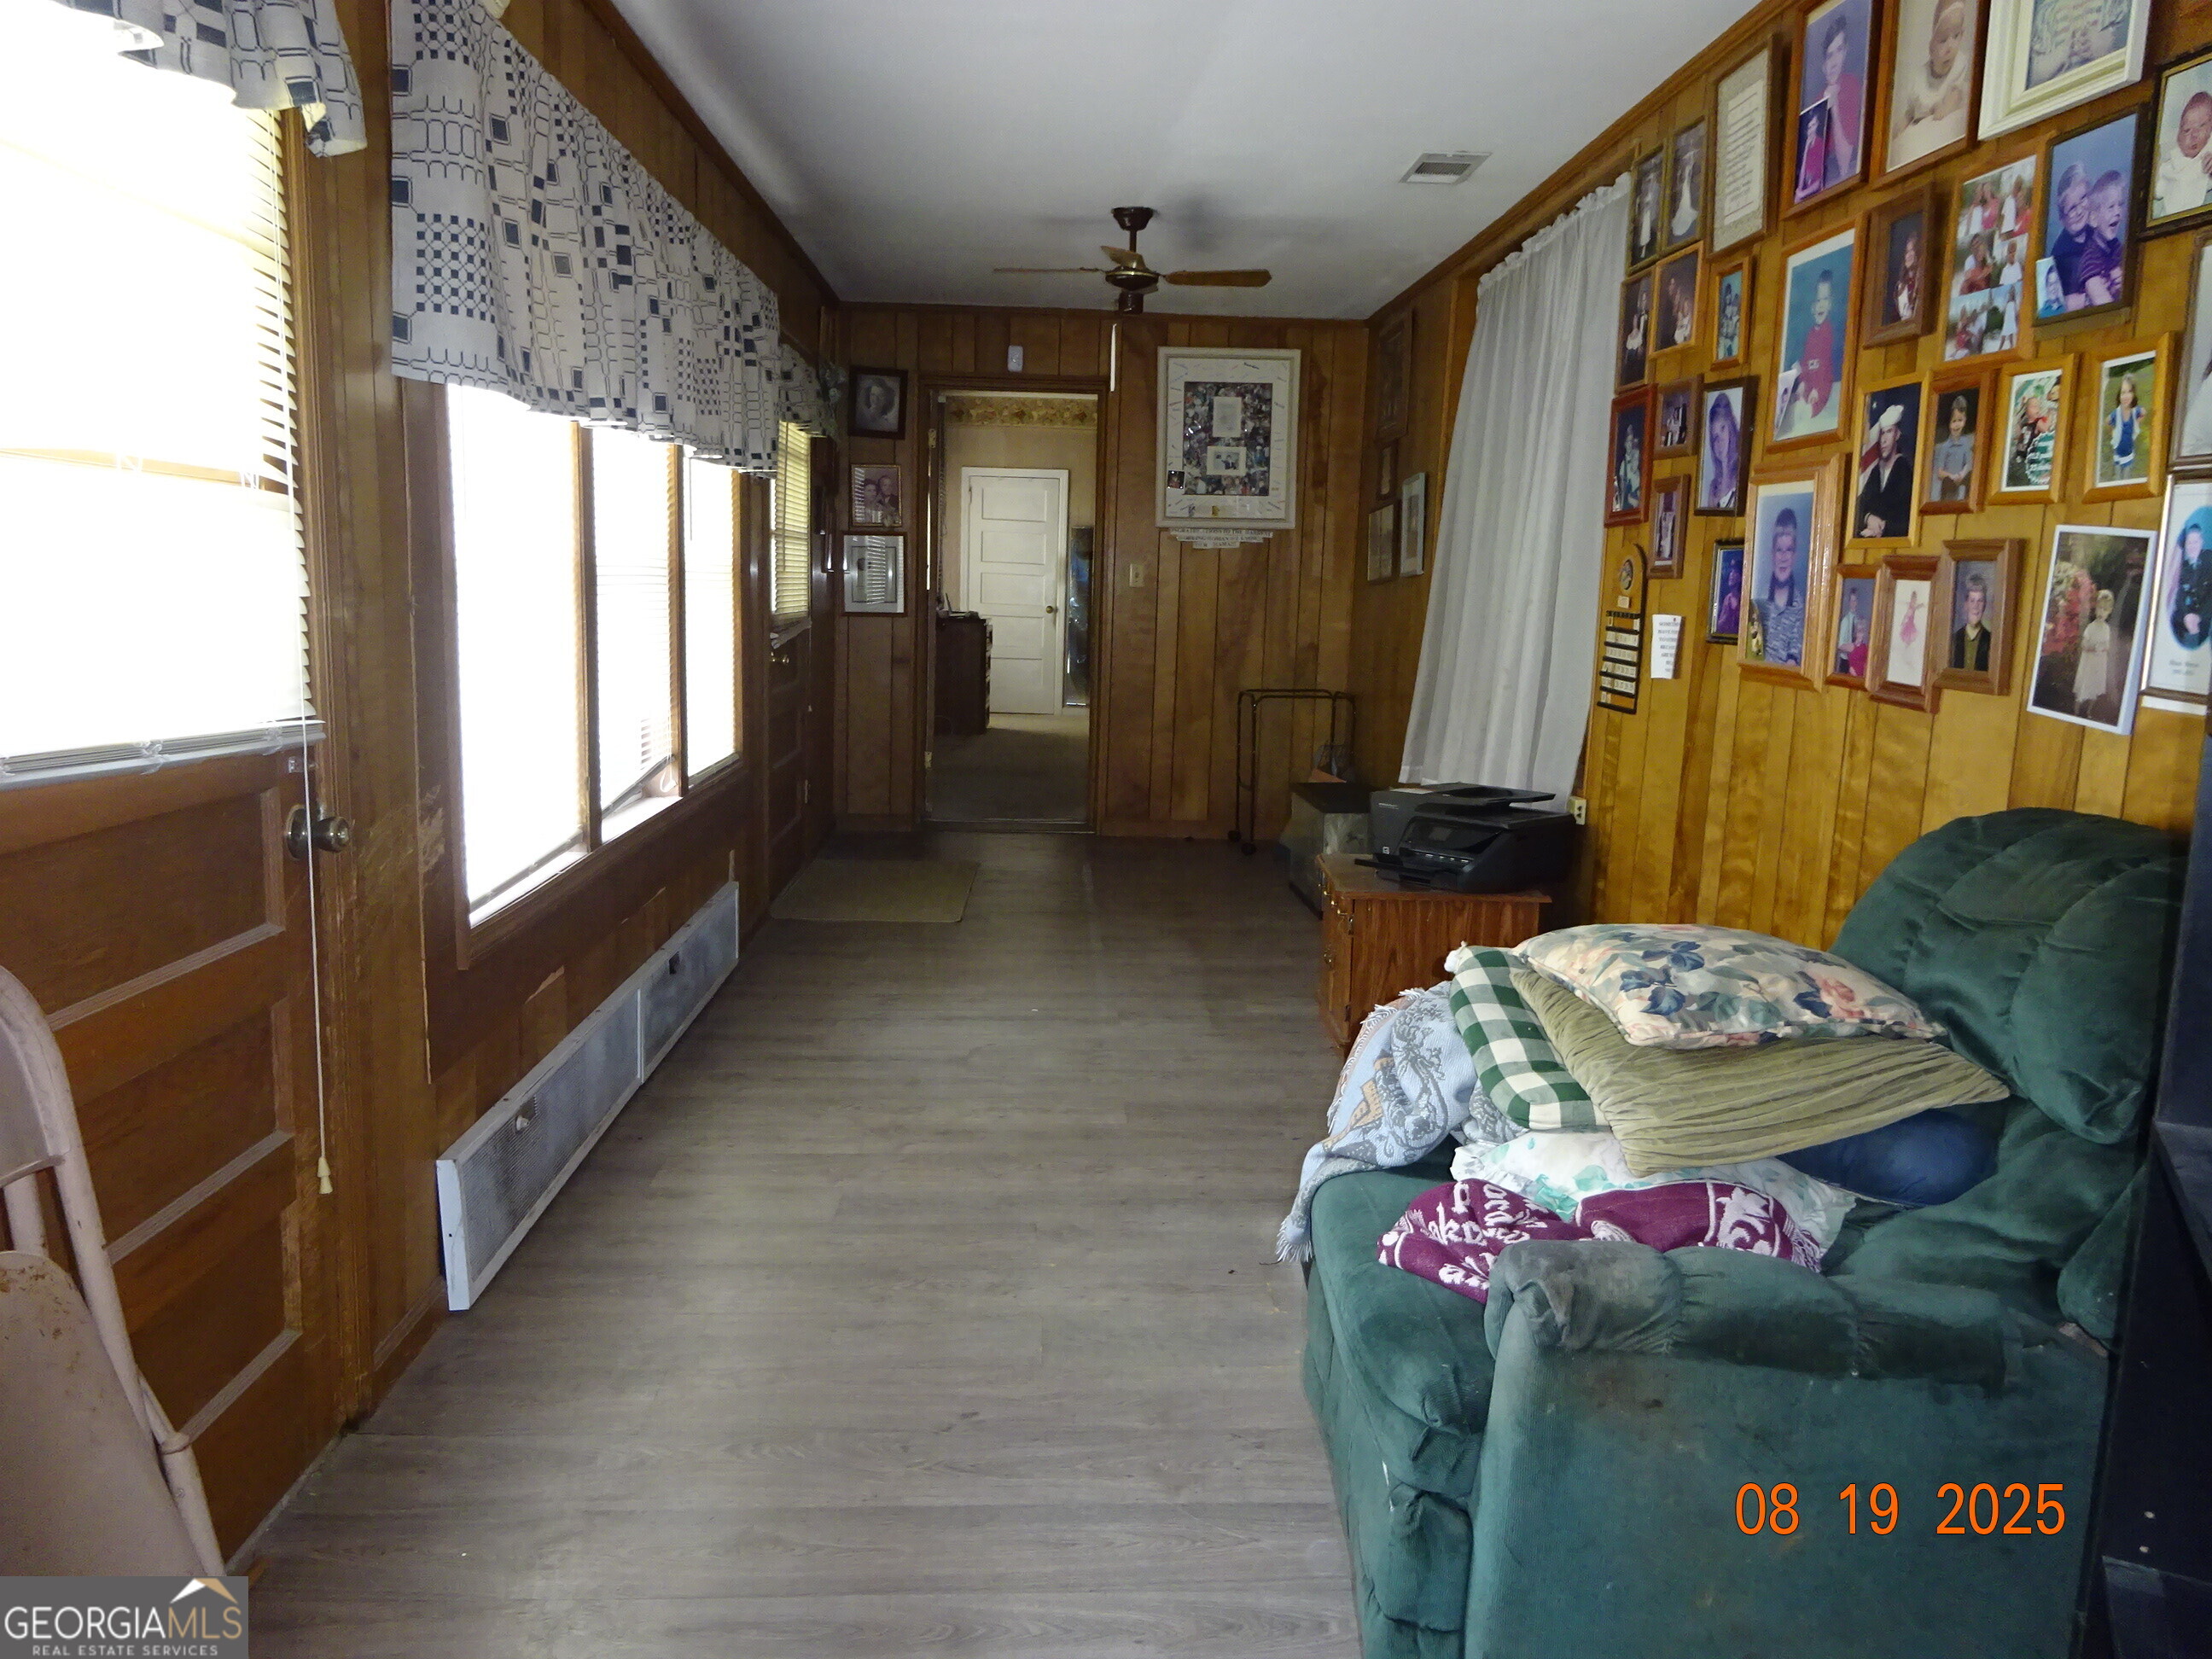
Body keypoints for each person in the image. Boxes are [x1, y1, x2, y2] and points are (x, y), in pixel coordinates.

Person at [1893, 0, 1971, 152]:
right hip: (1920, 113)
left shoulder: (1959, 63)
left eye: (1956, 36)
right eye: (1943, 40)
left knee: (1957, 94)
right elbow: (1912, 111)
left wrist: (1944, 107)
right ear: (1931, 47)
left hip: (1942, 107)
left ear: (1962, 34)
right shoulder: (1920, 77)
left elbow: (1955, 94)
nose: (1950, 47)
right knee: (1905, 120)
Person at [1780, 270, 1839, 435]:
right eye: (1818, 300)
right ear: (1812, 307)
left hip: (1821, 385)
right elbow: (1806, 363)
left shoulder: (1828, 332)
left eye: (1825, 300)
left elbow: (1825, 365)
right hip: (1810, 382)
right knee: (1796, 407)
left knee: (1807, 412)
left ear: (1830, 304)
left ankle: (1804, 419)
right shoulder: (1810, 334)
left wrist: (1817, 389)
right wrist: (1803, 383)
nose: (1821, 305)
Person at [1755, 508, 1807, 667]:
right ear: (1772, 554)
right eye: (1779, 550)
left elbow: (1796, 647)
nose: (1784, 557)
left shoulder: (1799, 603)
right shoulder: (1759, 597)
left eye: (1789, 550)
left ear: (1795, 555)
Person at [1815, 15, 1863, 184]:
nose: (1835, 62)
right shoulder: (1818, 100)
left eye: (1839, 50)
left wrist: (1833, 105)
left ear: (1846, 51)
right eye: (1829, 56)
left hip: (1848, 173)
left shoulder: (1852, 85)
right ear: (1823, 65)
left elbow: (1844, 167)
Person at [1856, 401, 1915, 537]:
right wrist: (1868, 518)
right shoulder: (1875, 472)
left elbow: (1906, 519)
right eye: (1882, 433)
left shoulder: (1904, 470)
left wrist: (1882, 527)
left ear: (1897, 435)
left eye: (1889, 432)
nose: (1883, 440)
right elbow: (1860, 506)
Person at [2156, 89, 2212, 220]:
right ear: (2178, 136)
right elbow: (2157, 190)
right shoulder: (2170, 165)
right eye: (2186, 130)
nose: (2193, 136)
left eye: (2201, 126)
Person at [2077, 171, 2128, 307]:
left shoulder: (2118, 248)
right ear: (2093, 219)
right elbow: (2102, 303)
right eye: (2111, 207)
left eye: (2120, 205)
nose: (2117, 212)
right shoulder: (2091, 257)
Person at [2049, 163, 2093, 306]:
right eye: (2072, 208)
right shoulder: (2063, 254)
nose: (2080, 211)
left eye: (2083, 198)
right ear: (2062, 218)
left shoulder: (2096, 234)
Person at [2075, 588, 2116, 716]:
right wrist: (2093, 648)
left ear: (2109, 612)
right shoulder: (2091, 627)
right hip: (2089, 661)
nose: (2101, 612)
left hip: (2098, 662)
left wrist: (2102, 648)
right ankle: (2076, 711)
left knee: (2094, 687)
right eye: (2099, 608)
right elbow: (2084, 644)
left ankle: (2089, 712)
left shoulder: (2106, 629)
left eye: (2105, 610)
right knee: (2084, 686)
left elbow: (2107, 645)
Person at [2172, 520, 2210, 650]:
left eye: (2195, 542)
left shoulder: (2209, 561)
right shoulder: (2182, 566)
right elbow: (2179, 594)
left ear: (2201, 543)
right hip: (2185, 618)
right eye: (2189, 542)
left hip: (2206, 617)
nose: (2192, 546)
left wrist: (2199, 617)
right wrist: (2187, 615)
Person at [1931, 394, 1976, 502]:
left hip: (1961, 480)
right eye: (1954, 421)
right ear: (1949, 424)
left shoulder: (1966, 442)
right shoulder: (1945, 447)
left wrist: (1962, 474)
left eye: (1960, 420)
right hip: (1949, 484)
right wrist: (1952, 476)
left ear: (1965, 421)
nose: (1957, 425)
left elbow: (1969, 463)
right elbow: (1940, 472)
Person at [1703, 393, 1743, 512]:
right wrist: (1724, 463)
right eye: (1715, 437)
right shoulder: (1714, 487)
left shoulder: (1742, 475)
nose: (1720, 441)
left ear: (1731, 427)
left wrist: (1726, 462)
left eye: (1723, 428)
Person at [1951, 571, 1993, 670]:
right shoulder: (1954, 639)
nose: (1975, 606)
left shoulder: (1991, 641)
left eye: (1980, 601)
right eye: (1972, 601)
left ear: (1985, 605)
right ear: (1966, 604)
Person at [2107, 372, 2146, 478]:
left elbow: (2143, 413)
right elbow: (2108, 421)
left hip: (2129, 452)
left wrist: (2137, 423)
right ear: (2119, 395)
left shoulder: (2135, 411)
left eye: (2129, 392)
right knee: (2117, 477)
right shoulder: (2116, 413)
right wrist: (2113, 433)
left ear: (2133, 394)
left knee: (2126, 476)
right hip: (2118, 452)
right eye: (2123, 393)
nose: (2126, 396)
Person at [1836, 584, 1870, 678]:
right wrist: (1854, 649)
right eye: (1851, 601)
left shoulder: (1859, 619)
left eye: (1855, 601)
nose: (1853, 603)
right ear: (1849, 602)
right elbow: (1840, 645)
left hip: (1857, 661)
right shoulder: (1845, 621)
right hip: (1846, 662)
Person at [1890, 230, 1923, 323]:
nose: (1909, 255)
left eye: (1913, 250)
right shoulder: (1899, 287)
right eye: (1907, 252)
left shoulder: (1922, 282)